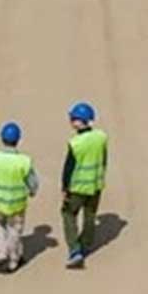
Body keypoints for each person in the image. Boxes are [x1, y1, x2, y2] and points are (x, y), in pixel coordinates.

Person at [0, 121, 39, 274]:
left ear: (2, 138)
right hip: (16, 204)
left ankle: (0, 255)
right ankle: (13, 260)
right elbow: (32, 181)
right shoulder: (24, 161)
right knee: (14, 231)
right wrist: (33, 191)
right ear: (18, 140)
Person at [61, 101, 108, 269]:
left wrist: (64, 189)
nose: (72, 121)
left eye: (74, 118)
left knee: (68, 214)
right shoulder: (101, 137)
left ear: (80, 121)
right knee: (90, 215)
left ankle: (75, 251)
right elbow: (103, 160)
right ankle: (86, 243)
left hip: (77, 188)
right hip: (95, 185)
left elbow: (68, 168)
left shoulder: (75, 143)